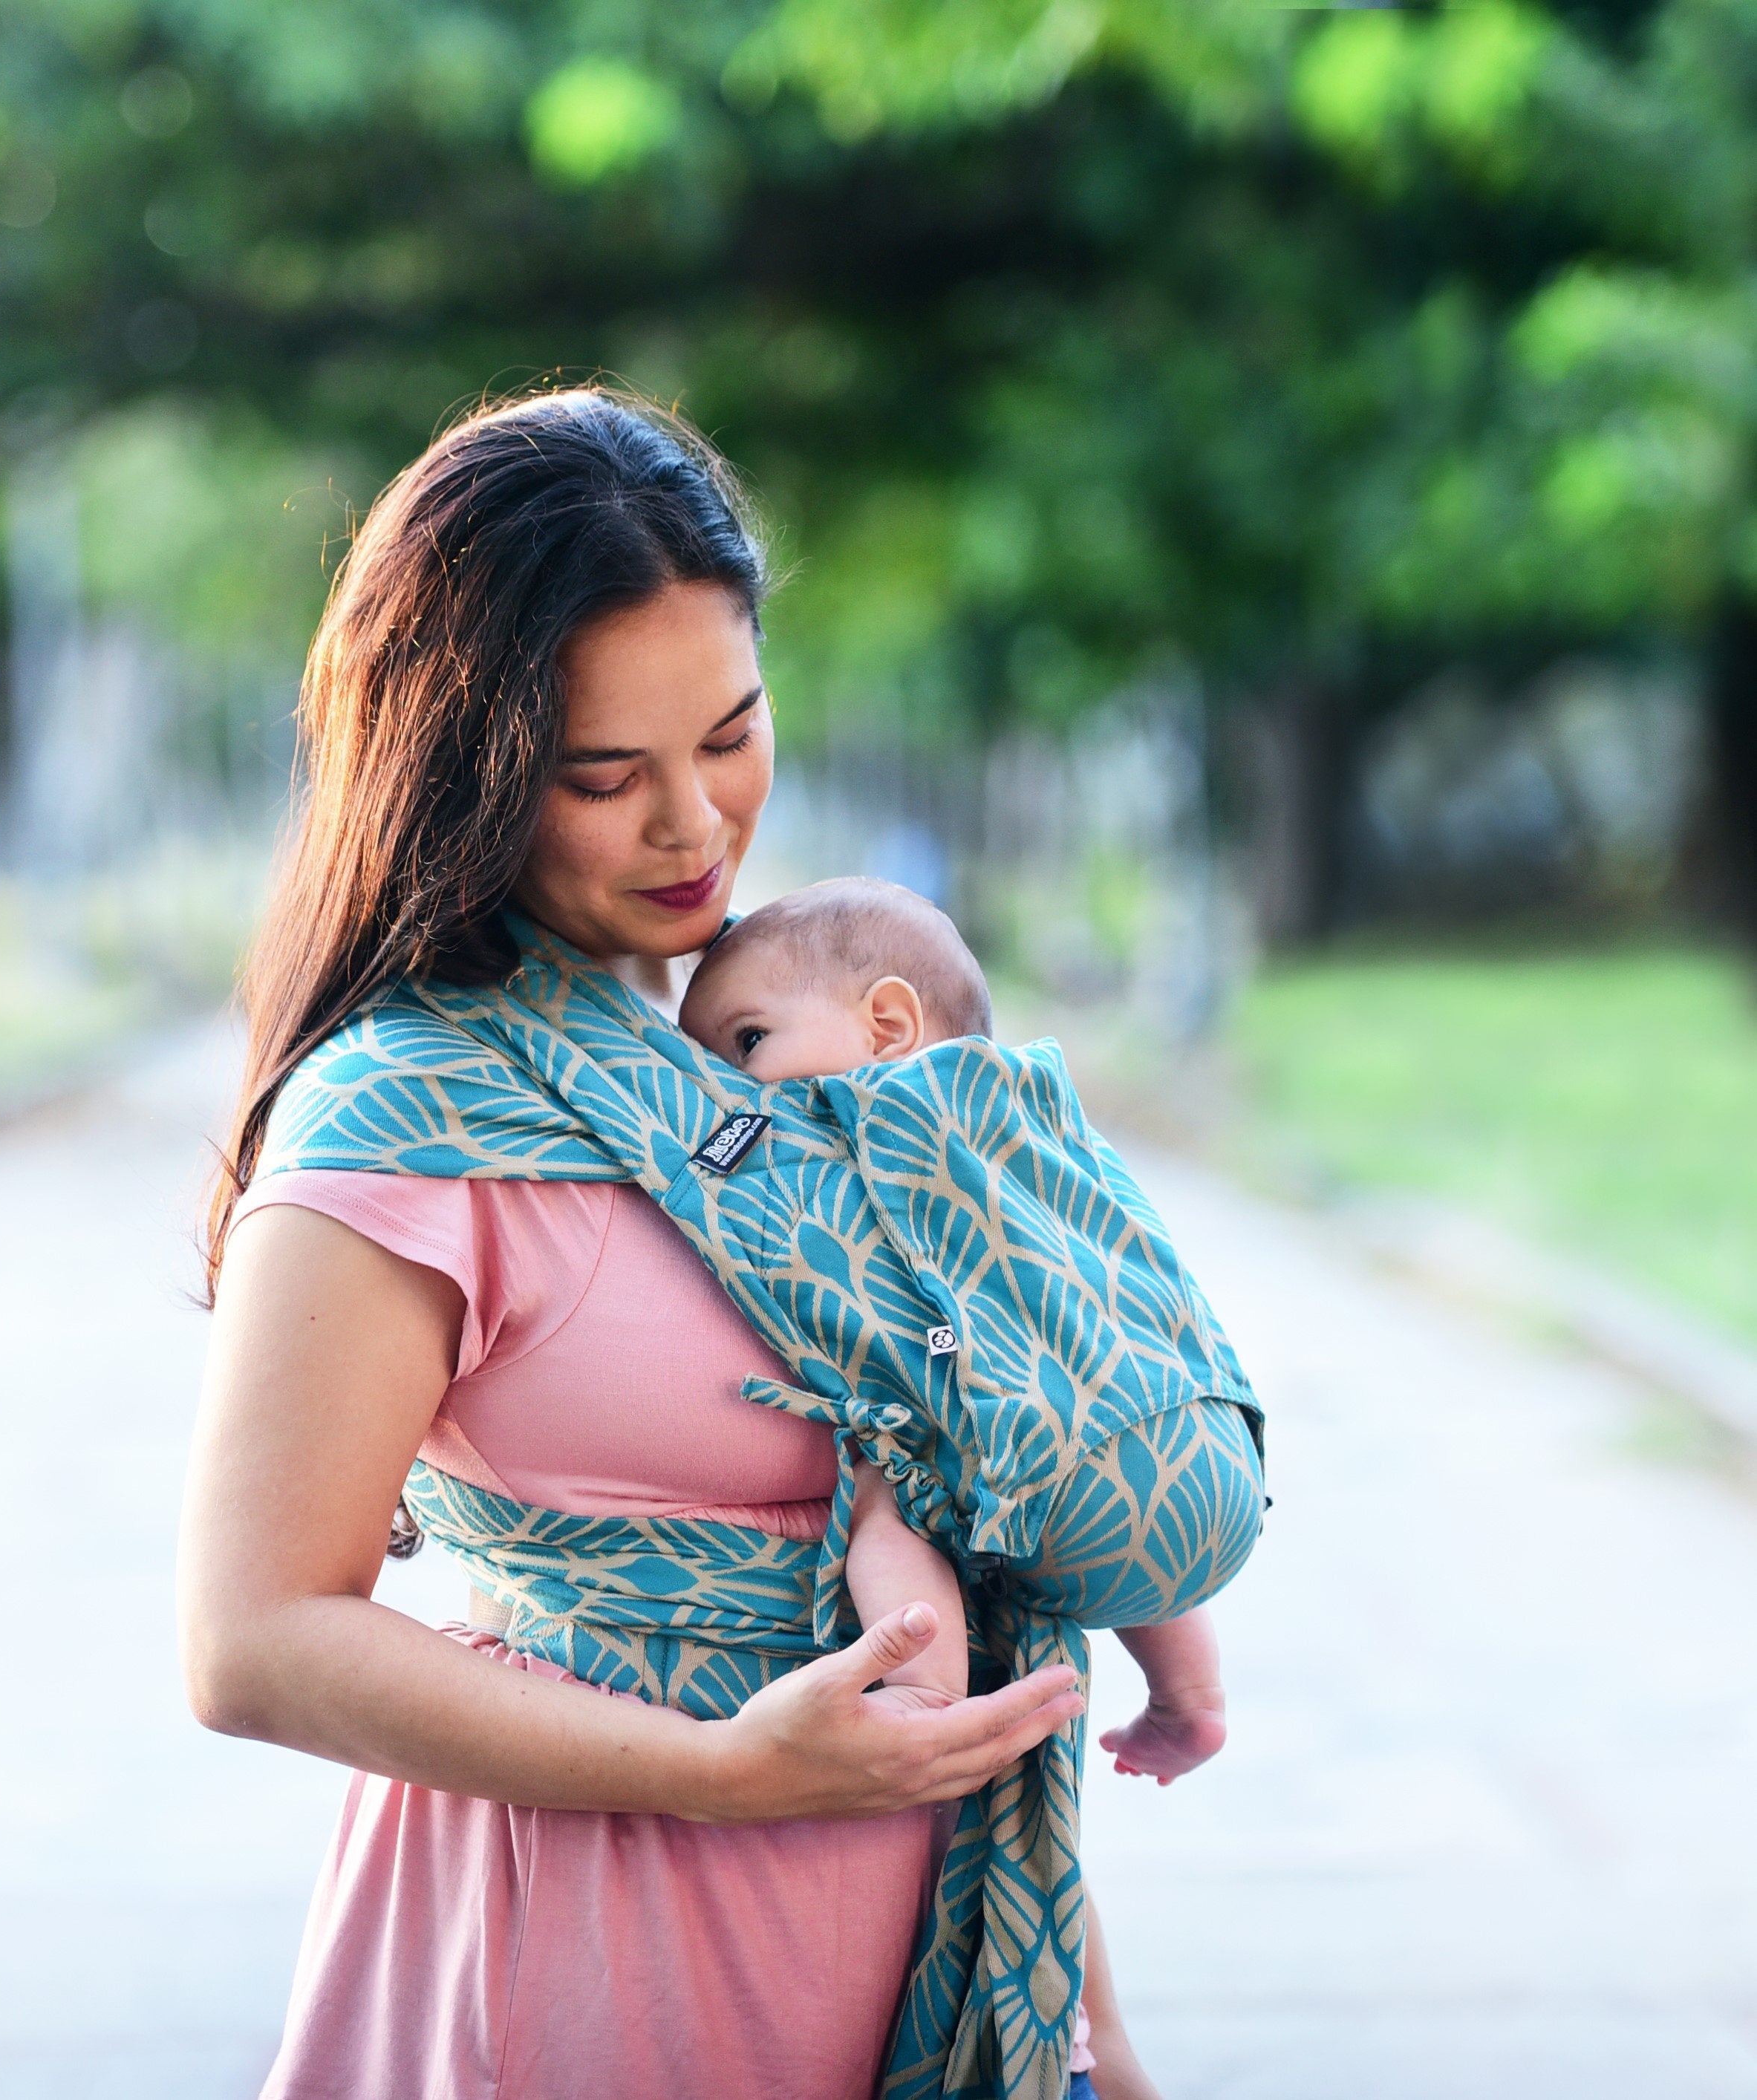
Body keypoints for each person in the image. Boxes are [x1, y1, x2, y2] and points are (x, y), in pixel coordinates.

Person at [180, 384, 1166, 2100]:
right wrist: (724, 1770)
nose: (695, 825)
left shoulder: (782, 1061)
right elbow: (252, 1640)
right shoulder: (404, 1118)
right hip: (583, 1967)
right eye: (603, 776)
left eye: (732, 733)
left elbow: (971, 1560)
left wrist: (1098, 2042)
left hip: (940, 1975)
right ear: (460, 771)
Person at [677, 877, 1230, 1787]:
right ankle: (1190, 1695)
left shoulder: (866, 1122)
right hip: (1183, 1432)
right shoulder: (1031, 1105)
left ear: (887, 1027)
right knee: (1107, 1445)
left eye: (748, 1042)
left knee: (879, 1500)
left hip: (1042, 1484)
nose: (735, 1084)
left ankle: (925, 1692)